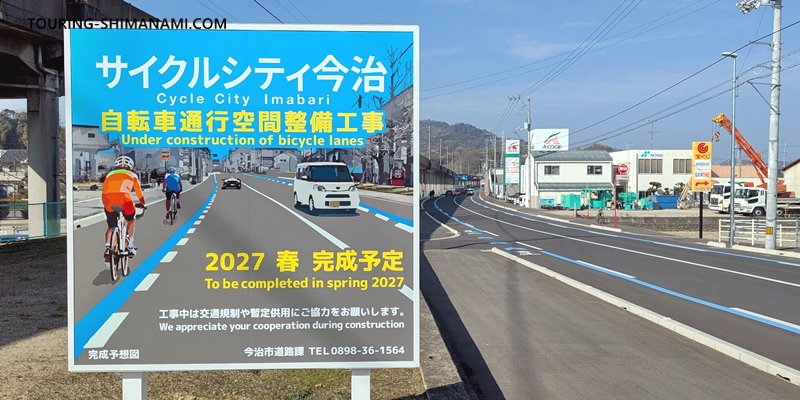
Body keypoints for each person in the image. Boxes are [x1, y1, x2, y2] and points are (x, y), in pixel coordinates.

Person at [102, 156, 145, 260]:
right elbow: (139, 192)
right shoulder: (133, 175)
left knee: (111, 226)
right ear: (130, 166)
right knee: (130, 220)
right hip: (124, 199)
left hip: (107, 199)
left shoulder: (109, 174)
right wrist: (142, 203)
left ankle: (108, 247)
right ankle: (130, 246)